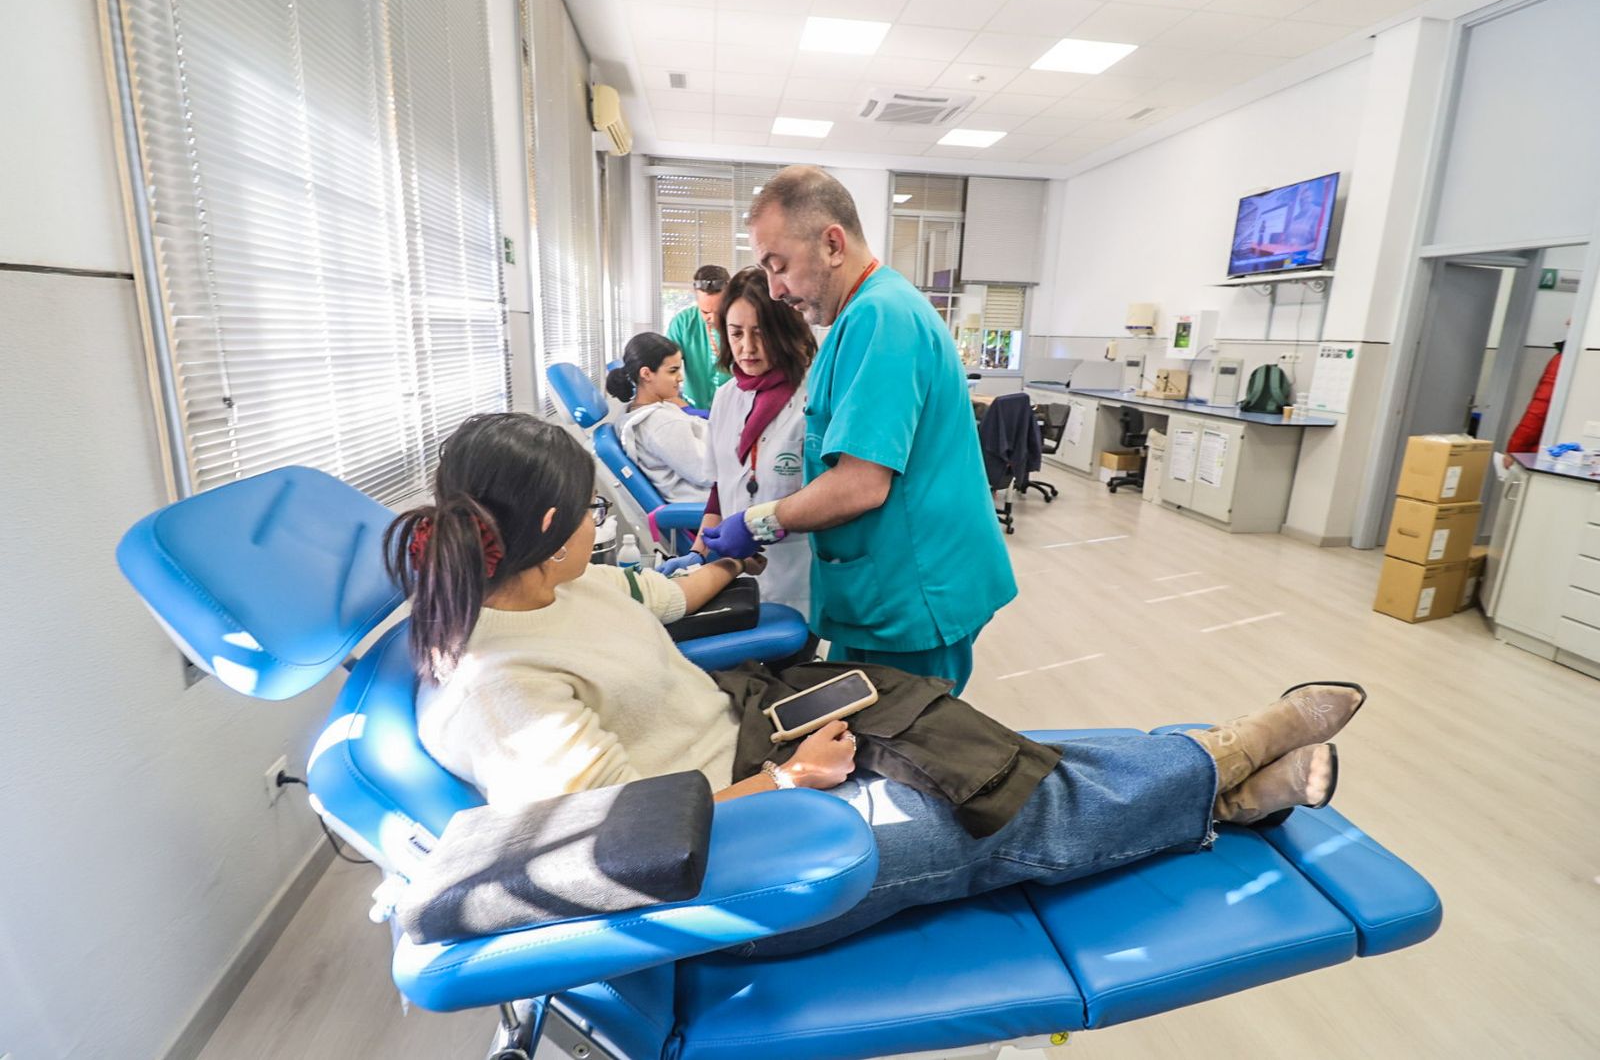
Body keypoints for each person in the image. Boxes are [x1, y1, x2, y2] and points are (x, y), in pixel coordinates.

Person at [388, 413, 1360, 957]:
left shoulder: (560, 580)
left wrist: (737, 547)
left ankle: (1222, 779)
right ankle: (1226, 766)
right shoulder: (499, 683)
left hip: (741, 739)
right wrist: (791, 782)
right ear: (551, 519)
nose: (597, 530)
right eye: (587, 516)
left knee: (975, 752)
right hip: (718, 862)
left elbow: (670, 593)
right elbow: (617, 838)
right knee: (985, 815)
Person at [702, 166, 1015, 695]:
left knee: (903, 749)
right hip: (875, 586)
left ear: (831, 243)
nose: (776, 290)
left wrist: (755, 523)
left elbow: (860, 484)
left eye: (780, 267)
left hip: (914, 591)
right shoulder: (855, 321)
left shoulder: (883, 317)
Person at [687, 266, 816, 614]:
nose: (748, 347)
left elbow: (828, 496)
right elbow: (721, 488)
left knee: (792, 665)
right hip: (736, 575)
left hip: (796, 579)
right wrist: (696, 555)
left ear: (785, 331)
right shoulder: (726, 397)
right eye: (736, 333)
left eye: (760, 333)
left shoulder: (813, 397)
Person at [604, 332, 712, 502]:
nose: (681, 377)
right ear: (646, 374)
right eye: (673, 371)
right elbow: (708, 472)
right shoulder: (660, 424)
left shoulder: (636, 411)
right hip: (709, 503)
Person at [1502, 328, 1569, 468]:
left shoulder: (1564, 360)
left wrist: (1514, 450)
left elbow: (1539, 410)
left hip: (1544, 456)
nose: (1567, 321)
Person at [669, 264, 732, 411]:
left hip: (735, 411)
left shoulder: (743, 323)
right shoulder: (683, 323)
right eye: (706, 312)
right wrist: (679, 404)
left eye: (720, 311)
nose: (714, 319)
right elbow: (665, 369)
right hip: (694, 409)